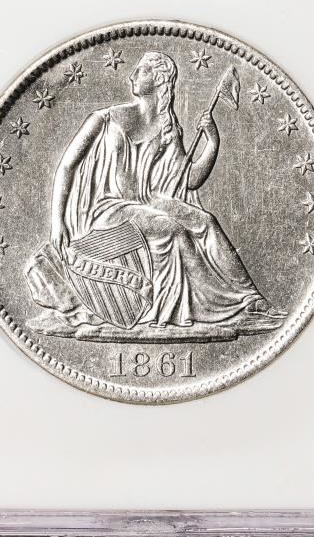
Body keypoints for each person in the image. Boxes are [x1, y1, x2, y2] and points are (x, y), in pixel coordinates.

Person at [27, 50, 282, 331]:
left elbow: (190, 179)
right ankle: (203, 309)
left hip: (146, 202)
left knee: (206, 221)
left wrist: (212, 143)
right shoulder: (104, 119)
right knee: (173, 229)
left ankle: (248, 300)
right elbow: (67, 166)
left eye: (141, 71)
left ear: (159, 80)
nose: (132, 76)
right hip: (108, 208)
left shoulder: (167, 127)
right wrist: (57, 222)